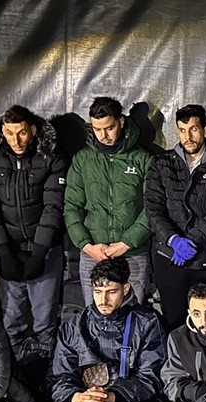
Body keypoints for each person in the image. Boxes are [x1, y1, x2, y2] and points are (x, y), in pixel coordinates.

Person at [0, 104, 68, 365]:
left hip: (45, 250)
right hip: (11, 249)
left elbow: (54, 206)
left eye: (22, 133)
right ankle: (12, 376)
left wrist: (39, 252)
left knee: (45, 319)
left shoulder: (52, 156)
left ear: (34, 130)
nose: (15, 141)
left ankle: (45, 376)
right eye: (9, 133)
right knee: (11, 319)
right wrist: (4, 251)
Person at [46, 257, 168, 402]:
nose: (103, 300)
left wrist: (112, 396)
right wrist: (77, 397)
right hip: (86, 396)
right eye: (98, 292)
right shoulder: (74, 325)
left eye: (111, 292)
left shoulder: (147, 322)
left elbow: (152, 376)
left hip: (130, 396)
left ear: (126, 289)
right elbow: (59, 375)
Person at [143, 104, 206, 331]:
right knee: (175, 322)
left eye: (194, 129)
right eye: (182, 130)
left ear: (205, 130)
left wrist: (193, 240)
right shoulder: (161, 164)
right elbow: (153, 208)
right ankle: (179, 366)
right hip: (170, 259)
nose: (188, 136)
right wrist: (173, 240)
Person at [64, 96, 154, 302]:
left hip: (133, 253)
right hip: (93, 254)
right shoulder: (82, 159)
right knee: (95, 316)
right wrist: (86, 245)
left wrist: (126, 243)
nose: (103, 135)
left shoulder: (143, 159)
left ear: (121, 122)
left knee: (132, 317)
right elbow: (71, 207)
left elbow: (152, 208)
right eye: (97, 129)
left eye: (109, 128)